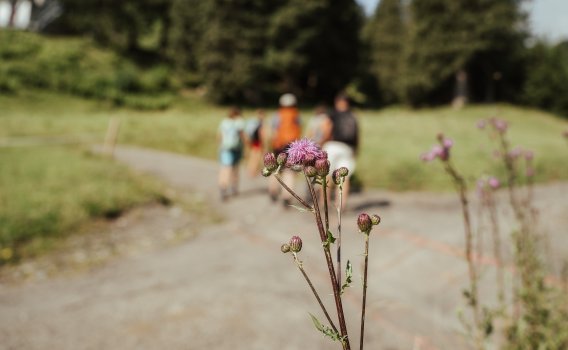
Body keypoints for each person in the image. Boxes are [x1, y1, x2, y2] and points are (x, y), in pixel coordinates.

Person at [322, 93, 359, 209]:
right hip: (348, 148)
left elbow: (326, 129)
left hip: (332, 145)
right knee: (344, 177)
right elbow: (357, 135)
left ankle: (324, 202)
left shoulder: (332, 114)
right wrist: (355, 150)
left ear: (338, 102)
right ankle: (341, 204)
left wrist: (322, 142)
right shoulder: (353, 116)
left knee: (326, 174)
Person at [269, 93, 301, 207]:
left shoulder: (277, 114)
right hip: (292, 146)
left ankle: (273, 191)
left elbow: (273, 131)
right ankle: (286, 196)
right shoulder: (296, 114)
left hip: (278, 145)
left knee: (275, 168)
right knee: (290, 171)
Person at [217, 107, 245, 201]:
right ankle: (234, 187)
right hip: (236, 148)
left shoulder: (224, 122)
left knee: (225, 168)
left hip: (225, 148)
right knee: (235, 168)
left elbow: (219, 136)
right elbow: (242, 136)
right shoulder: (239, 122)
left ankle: (223, 187)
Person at [245, 109, 266, 177]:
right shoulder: (260, 124)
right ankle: (253, 172)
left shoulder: (253, 122)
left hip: (253, 142)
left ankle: (250, 171)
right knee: (256, 158)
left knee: (253, 157)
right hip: (257, 143)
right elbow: (261, 135)